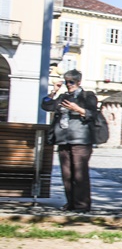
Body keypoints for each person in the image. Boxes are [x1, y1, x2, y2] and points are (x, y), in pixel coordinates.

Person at [41, 69, 98, 212]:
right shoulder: (63, 97)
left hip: (81, 140)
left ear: (79, 82)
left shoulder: (88, 96)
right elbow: (46, 105)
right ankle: (71, 203)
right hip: (63, 139)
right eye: (66, 82)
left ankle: (82, 205)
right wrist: (53, 91)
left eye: (71, 82)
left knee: (79, 174)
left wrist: (77, 109)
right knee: (67, 174)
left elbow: (93, 114)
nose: (68, 85)